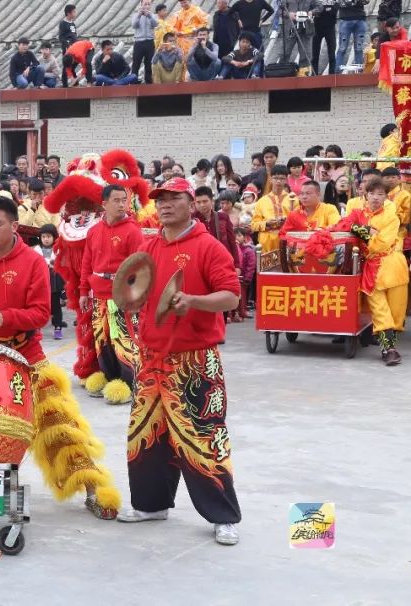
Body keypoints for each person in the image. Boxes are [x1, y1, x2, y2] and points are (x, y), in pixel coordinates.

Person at [0, 194, 122, 519]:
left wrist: (8, 317)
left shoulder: (33, 262)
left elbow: (41, 313)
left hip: (27, 356)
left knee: (59, 424)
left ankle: (91, 486)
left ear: (14, 226)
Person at [117, 177, 242, 546]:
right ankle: (151, 504)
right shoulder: (149, 245)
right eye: (161, 200)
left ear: (191, 202)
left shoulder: (209, 247)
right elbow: (135, 289)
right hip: (152, 357)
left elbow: (231, 296)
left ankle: (224, 516)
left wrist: (195, 302)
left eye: (174, 199)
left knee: (204, 438)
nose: (165, 205)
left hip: (194, 360)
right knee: (146, 435)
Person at [78, 185, 143, 405]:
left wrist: (134, 296)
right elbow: (87, 263)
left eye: (124, 200)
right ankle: (109, 378)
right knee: (102, 339)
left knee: (124, 340)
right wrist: (83, 291)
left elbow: (140, 267)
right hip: (99, 296)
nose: (121, 204)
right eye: (116, 200)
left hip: (122, 297)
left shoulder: (132, 231)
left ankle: (129, 383)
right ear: (104, 204)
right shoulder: (94, 231)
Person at [349, 179, 408, 365]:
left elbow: (383, 242)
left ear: (386, 197)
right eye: (372, 193)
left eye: (380, 194)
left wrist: (362, 231)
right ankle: (388, 349)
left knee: (396, 313)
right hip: (371, 270)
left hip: (393, 267)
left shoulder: (392, 217)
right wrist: (368, 230)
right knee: (380, 312)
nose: (376, 197)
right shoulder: (357, 214)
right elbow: (345, 226)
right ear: (365, 195)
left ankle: (389, 346)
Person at [250, 164, 295, 254]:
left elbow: (299, 221)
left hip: (287, 242)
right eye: (275, 178)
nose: (278, 181)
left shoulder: (293, 199)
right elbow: (254, 225)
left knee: (287, 268)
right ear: (270, 179)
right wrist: (267, 223)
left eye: (282, 178)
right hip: (267, 244)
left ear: (286, 180)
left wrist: (286, 221)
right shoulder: (262, 201)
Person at [34, 224, 66, 339]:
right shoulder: (36, 251)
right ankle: (36, 327)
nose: (46, 239)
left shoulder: (58, 250)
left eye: (48, 236)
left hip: (54, 284)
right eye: (43, 237)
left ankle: (58, 327)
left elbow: (63, 268)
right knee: (38, 306)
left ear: (54, 237)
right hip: (40, 283)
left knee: (56, 306)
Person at [278, 0, 317, 76]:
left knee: (306, 54)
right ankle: (282, 74)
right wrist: (288, 14)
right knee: (284, 53)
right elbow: (279, 11)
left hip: (305, 29)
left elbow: (319, 6)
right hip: (290, 28)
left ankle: (303, 75)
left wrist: (312, 12)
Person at [133, 0, 159, 84]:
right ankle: (134, 80)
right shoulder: (135, 15)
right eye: (145, 4)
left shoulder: (153, 15)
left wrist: (150, 17)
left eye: (148, 4)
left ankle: (148, 81)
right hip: (139, 42)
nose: (147, 6)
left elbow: (155, 24)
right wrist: (139, 16)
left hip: (149, 41)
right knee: (136, 62)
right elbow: (134, 25)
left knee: (149, 63)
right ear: (141, 4)